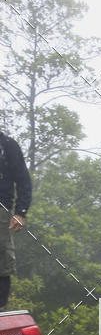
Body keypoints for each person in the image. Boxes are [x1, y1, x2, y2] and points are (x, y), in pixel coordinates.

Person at [0, 131, 32, 311]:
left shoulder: (8, 146)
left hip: (1, 211)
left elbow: (23, 181)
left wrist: (20, 212)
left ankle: (1, 315)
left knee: (2, 262)